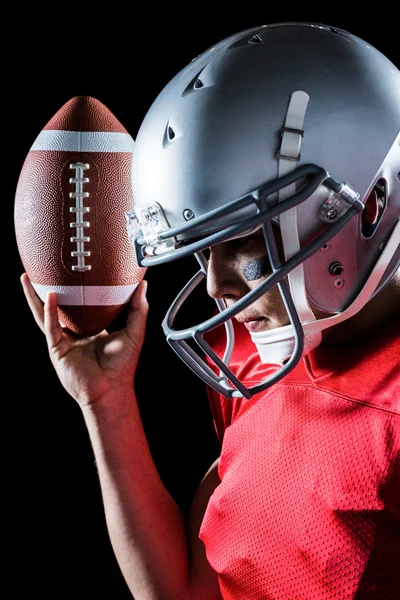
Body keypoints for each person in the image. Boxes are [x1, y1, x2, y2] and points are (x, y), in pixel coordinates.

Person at [21, 22, 399, 600]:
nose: (217, 284)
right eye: (205, 248)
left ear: (371, 202)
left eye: (245, 239)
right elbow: (185, 591)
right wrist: (107, 403)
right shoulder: (259, 359)